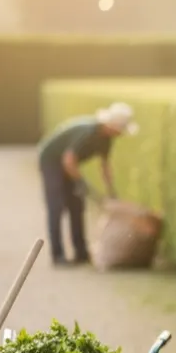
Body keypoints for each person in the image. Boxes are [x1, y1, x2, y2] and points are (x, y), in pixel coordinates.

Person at [35, 102, 138, 266]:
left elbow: (105, 166)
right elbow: (68, 159)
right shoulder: (89, 132)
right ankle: (58, 255)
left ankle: (81, 252)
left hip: (68, 165)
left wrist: (111, 192)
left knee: (77, 206)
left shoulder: (107, 139)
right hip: (51, 161)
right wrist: (80, 182)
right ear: (112, 125)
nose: (121, 133)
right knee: (57, 206)